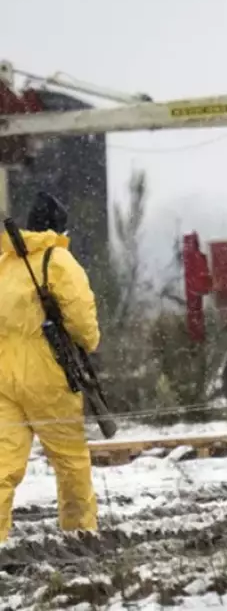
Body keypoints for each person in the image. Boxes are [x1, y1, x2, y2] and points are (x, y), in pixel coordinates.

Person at [0, 192, 101, 542]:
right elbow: (83, 324)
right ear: (59, 226)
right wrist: (88, 345)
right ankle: (80, 534)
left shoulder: (5, 263)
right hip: (49, 375)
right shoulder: (58, 261)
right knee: (70, 462)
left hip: (3, 379)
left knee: (3, 466)